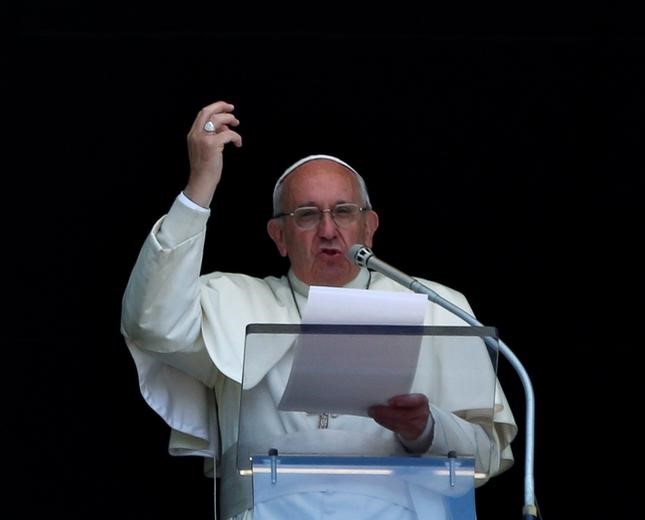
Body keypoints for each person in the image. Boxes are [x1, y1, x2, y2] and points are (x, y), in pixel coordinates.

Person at [121, 100, 517, 519]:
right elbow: (149, 322)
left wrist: (425, 429)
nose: (329, 231)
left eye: (344, 212)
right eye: (307, 215)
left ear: (371, 227)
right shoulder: (232, 301)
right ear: (279, 237)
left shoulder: (439, 307)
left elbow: (487, 455)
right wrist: (200, 183)